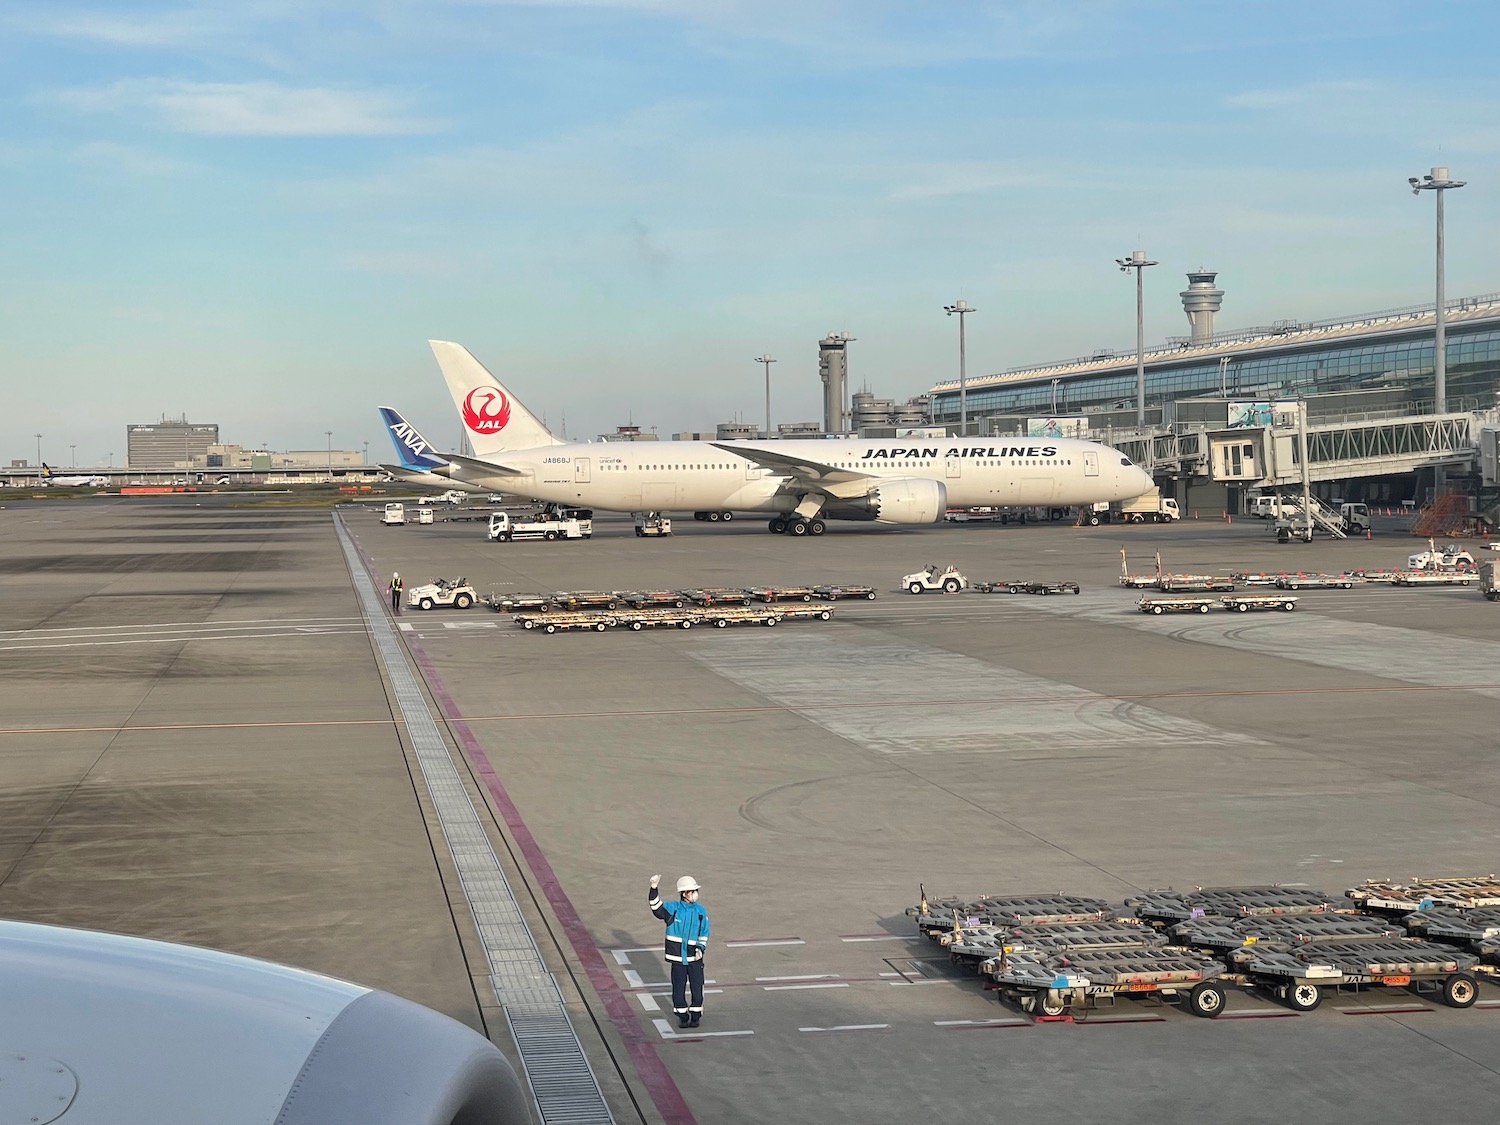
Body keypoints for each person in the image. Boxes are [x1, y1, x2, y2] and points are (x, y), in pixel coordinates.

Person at [649, 874, 709, 1028]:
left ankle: (696, 1016)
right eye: (692, 891)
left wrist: (700, 949)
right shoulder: (673, 908)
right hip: (677, 958)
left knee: (697, 987)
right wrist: (654, 888)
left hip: (694, 958)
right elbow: (656, 907)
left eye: (696, 890)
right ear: (684, 893)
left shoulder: (700, 911)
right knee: (678, 988)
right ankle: (682, 1015)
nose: (695, 893)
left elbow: (704, 933)